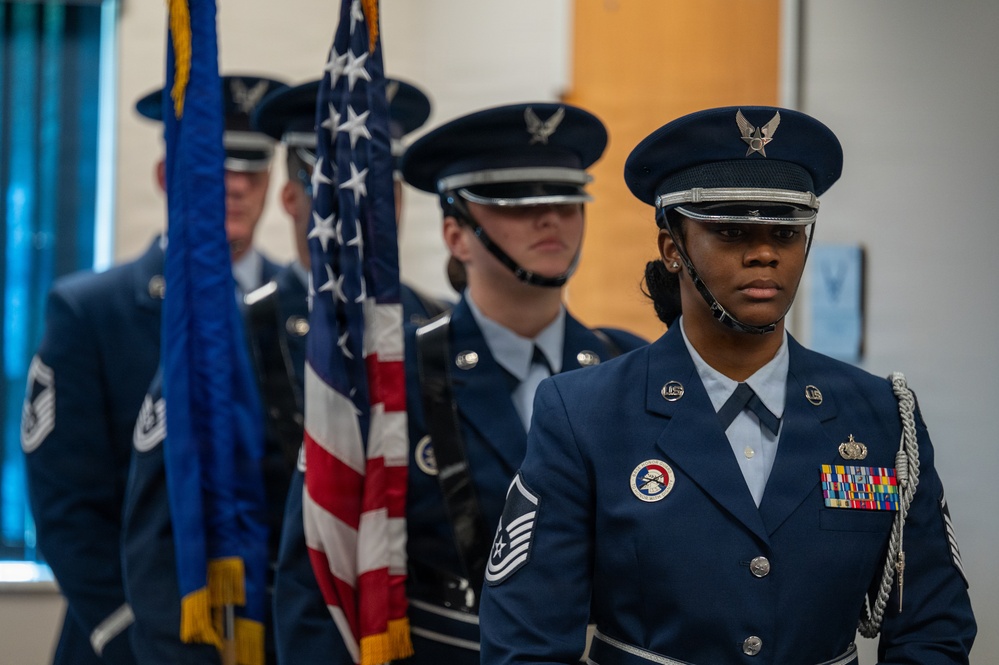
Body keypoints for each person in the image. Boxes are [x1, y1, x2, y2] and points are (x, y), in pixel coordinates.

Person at [478, 106, 977, 664]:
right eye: (731, 231)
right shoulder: (585, 414)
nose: (764, 252)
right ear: (673, 249)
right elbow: (527, 643)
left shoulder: (880, 414)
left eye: (785, 232)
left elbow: (934, 625)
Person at [272, 101, 647, 664]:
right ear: (457, 235)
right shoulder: (391, 377)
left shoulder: (628, 369)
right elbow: (316, 583)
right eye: (519, 204)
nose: (551, 219)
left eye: (567, 201)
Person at [18, 74, 286, 665]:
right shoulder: (92, 311)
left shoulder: (300, 309)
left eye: (253, 170)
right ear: (168, 177)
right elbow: (67, 503)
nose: (236, 186)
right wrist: (126, 632)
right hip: (129, 637)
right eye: (215, 167)